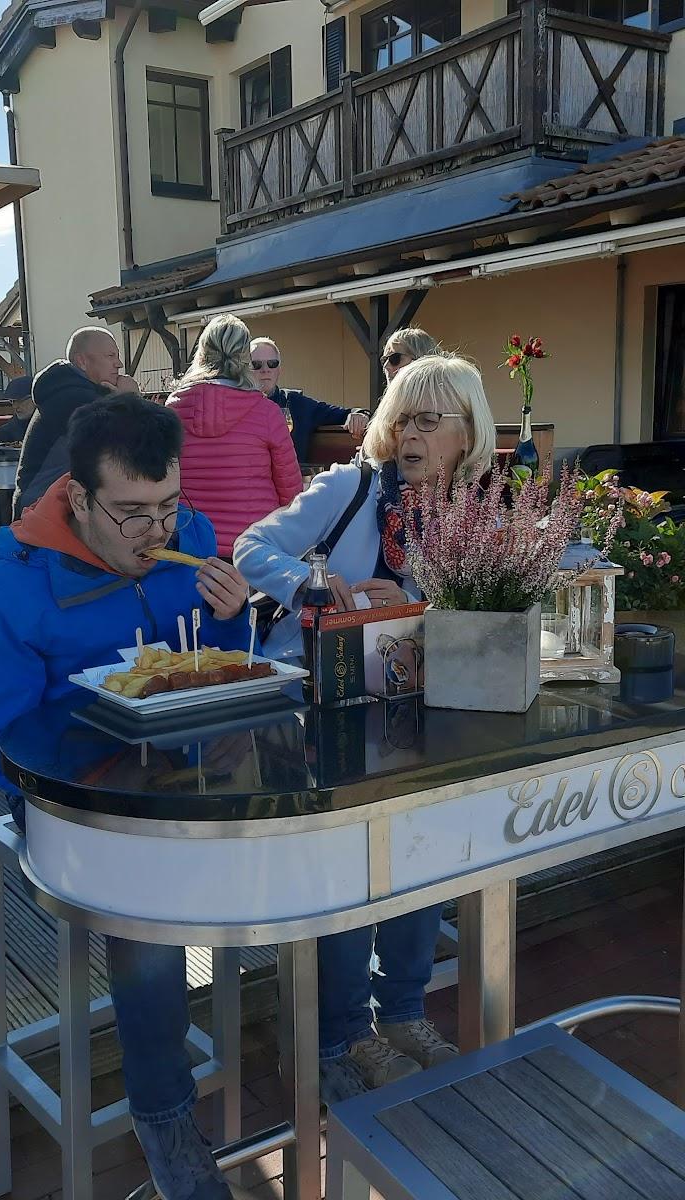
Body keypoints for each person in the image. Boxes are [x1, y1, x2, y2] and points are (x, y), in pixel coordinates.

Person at [0, 392, 253, 1200]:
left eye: (168, 505)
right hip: (71, 801)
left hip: (189, 778)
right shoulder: (12, 588)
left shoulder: (188, 536)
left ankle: (342, 1050)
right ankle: (164, 1120)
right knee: (143, 912)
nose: (159, 534)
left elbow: (212, 660)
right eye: (132, 514)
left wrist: (234, 624)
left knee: (319, 849)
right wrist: (102, 776)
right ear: (77, 498)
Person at [233, 355, 496, 1103]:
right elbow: (253, 547)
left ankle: (404, 1013)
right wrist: (320, 587)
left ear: (467, 432)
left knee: (419, 859)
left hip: (414, 711)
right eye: (401, 417)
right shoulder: (348, 487)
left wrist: (413, 598)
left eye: (428, 419)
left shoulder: (473, 516)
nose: (408, 433)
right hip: (320, 706)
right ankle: (346, 1032)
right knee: (349, 873)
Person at [167, 315, 303, 558]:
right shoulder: (267, 412)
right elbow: (290, 492)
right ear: (244, 357)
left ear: (202, 352)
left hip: (190, 544)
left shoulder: (174, 409)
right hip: (253, 548)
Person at [12, 327, 121, 516]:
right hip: (41, 513)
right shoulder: (74, 400)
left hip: (50, 505)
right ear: (82, 361)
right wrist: (131, 398)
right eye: (111, 356)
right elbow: (137, 438)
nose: (119, 364)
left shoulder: (65, 391)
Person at [250, 337, 369, 464]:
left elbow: (344, 413)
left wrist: (361, 415)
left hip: (290, 481)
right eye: (256, 365)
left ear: (279, 370)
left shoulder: (297, 404)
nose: (265, 369)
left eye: (272, 363)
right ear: (245, 370)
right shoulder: (235, 406)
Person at [0, 374, 34, 443]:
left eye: (20, 400)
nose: (15, 406)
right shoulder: (13, 426)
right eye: (12, 401)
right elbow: (3, 432)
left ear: (35, 398)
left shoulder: (50, 425)